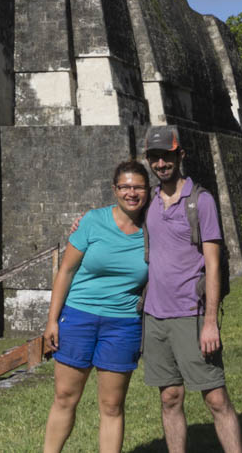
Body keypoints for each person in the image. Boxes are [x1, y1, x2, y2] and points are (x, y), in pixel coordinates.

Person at [141, 125, 242, 453]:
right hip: (155, 317)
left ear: (180, 155)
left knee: (216, 398)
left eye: (167, 156)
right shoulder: (149, 200)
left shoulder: (201, 201)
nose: (161, 163)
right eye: (155, 157)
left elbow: (213, 264)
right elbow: (118, 215)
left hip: (191, 314)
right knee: (170, 398)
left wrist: (210, 322)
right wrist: (81, 222)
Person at [43, 160, 151, 453]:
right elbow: (65, 271)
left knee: (112, 406)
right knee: (65, 397)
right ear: (115, 189)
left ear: (147, 191)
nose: (131, 193)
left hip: (123, 324)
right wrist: (52, 320)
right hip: (78, 317)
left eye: (138, 187)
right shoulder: (92, 221)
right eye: (125, 186)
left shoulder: (153, 229)